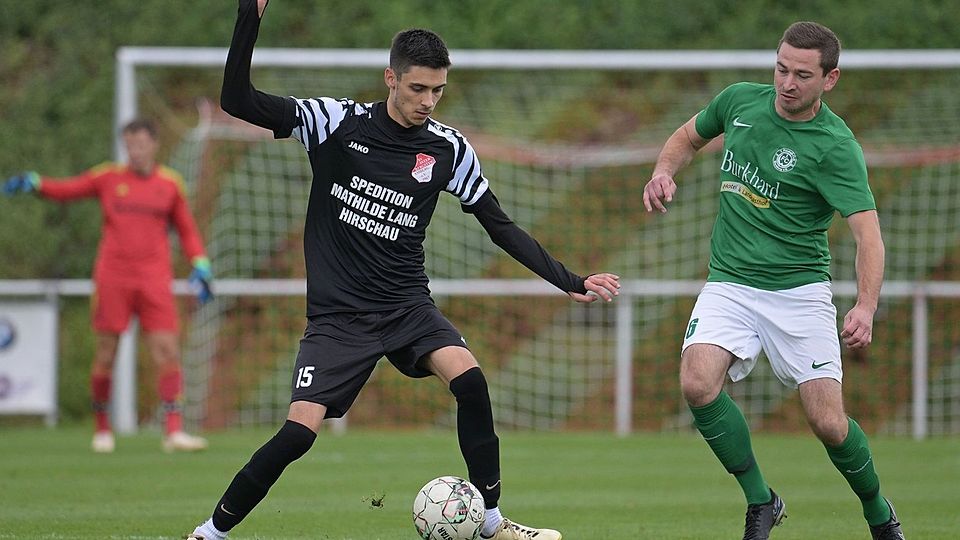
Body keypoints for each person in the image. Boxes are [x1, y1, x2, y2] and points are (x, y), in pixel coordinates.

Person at [186, 1, 620, 539]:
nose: (427, 101)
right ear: (390, 78)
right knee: (298, 434)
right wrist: (248, 17)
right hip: (339, 318)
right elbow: (237, 100)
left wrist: (570, 281)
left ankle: (489, 523)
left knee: (472, 382)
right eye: (417, 89)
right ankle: (209, 533)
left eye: (437, 90)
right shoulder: (334, 122)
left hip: (408, 307)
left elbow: (499, 225)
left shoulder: (447, 148)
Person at [642, 21, 904, 540]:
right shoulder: (740, 101)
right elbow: (685, 137)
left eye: (802, 75)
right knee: (697, 382)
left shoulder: (835, 147)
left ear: (829, 80)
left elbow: (868, 237)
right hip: (731, 283)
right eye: (781, 68)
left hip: (800, 293)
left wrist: (866, 306)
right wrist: (663, 171)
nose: (787, 82)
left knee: (828, 423)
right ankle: (762, 500)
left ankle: (878, 512)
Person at [3, 118, 213, 454]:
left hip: (154, 279)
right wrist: (36, 183)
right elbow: (68, 189)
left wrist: (200, 263)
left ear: (154, 145)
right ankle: (102, 427)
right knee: (106, 353)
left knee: (167, 351)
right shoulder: (108, 177)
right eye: (130, 145)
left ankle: (173, 431)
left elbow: (187, 229)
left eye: (141, 144)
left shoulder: (170, 184)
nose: (135, 151)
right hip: (113, 278)